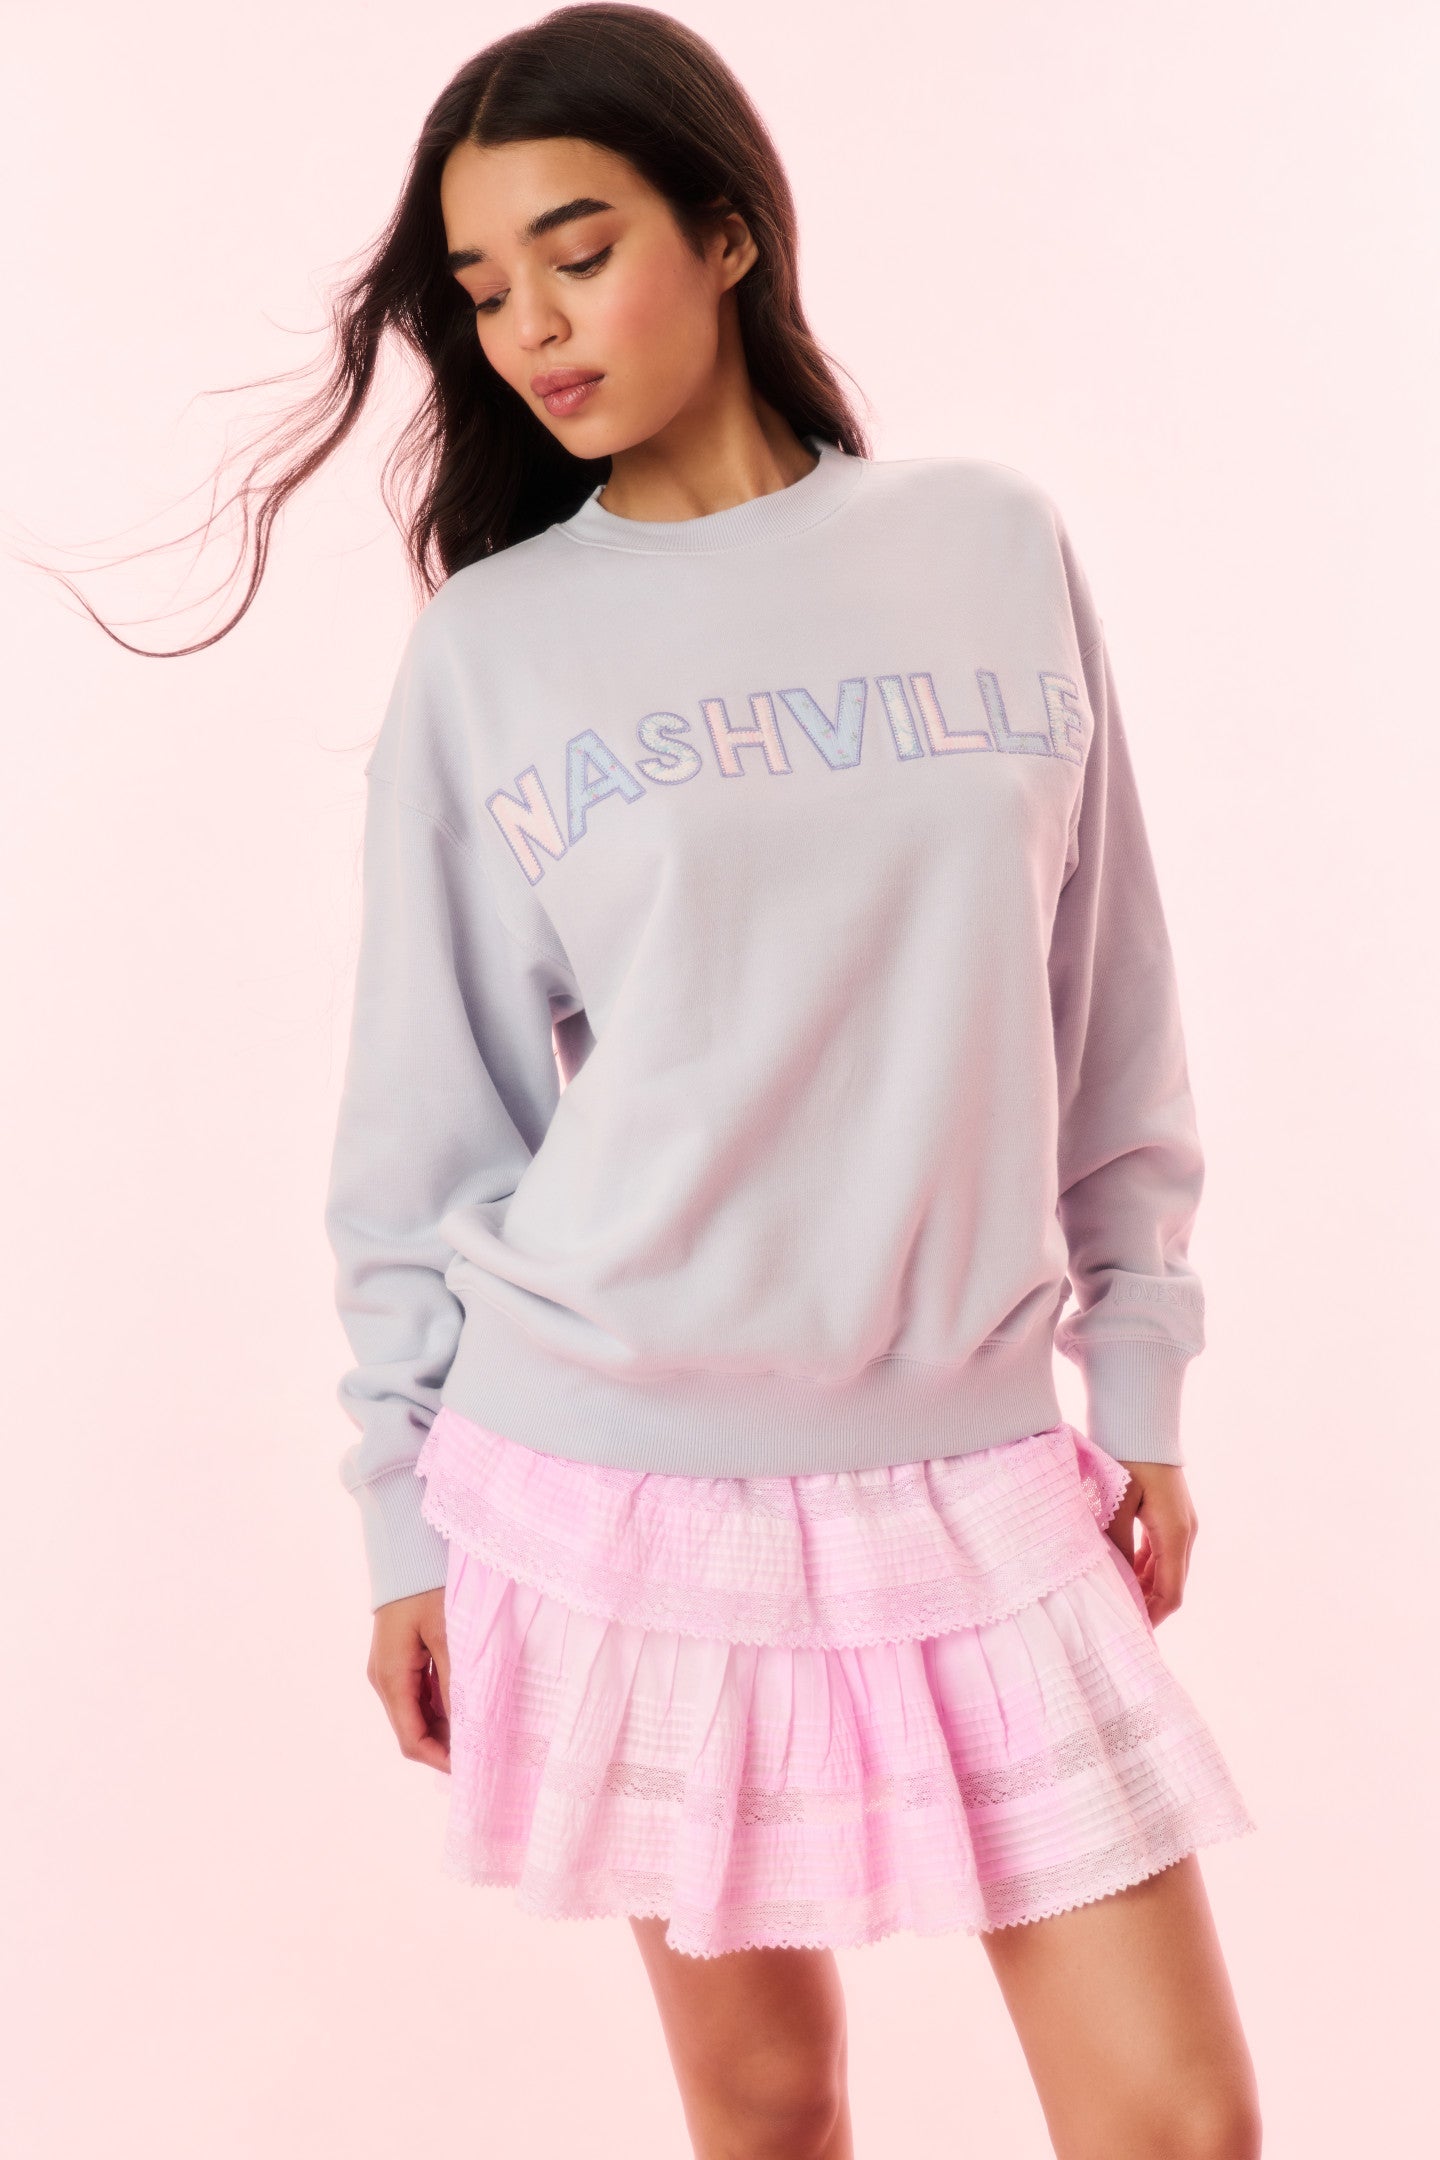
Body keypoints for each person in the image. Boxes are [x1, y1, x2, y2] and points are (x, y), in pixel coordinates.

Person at [49, 8, 1264, 2155]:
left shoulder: (990, 544)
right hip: (616, 1480)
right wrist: (398, 1517)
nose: (529, 326)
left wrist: (1140, 1366)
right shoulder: (497, 648)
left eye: (578, 250)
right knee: (770, 2113)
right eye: (481, 288)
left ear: (726, 232)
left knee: (1174, 2123)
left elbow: (1112, 1003)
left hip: (980, 1460)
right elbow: (423, 1128)